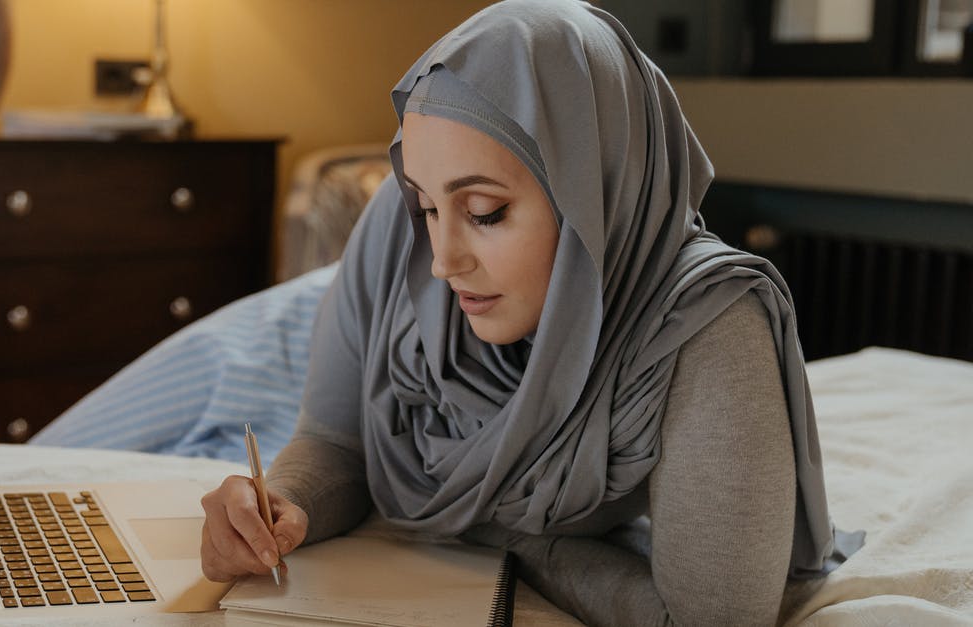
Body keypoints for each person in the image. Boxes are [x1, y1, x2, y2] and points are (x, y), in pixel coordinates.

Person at [199, 1, 859, 624]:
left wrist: (519, 540)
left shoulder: (709, 326)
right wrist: (278, 505)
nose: (440, 260)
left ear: (597, 195)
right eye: (428, 205)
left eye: (485, 212)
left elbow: (712, 617)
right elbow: (340, 443)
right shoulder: (396, 237)